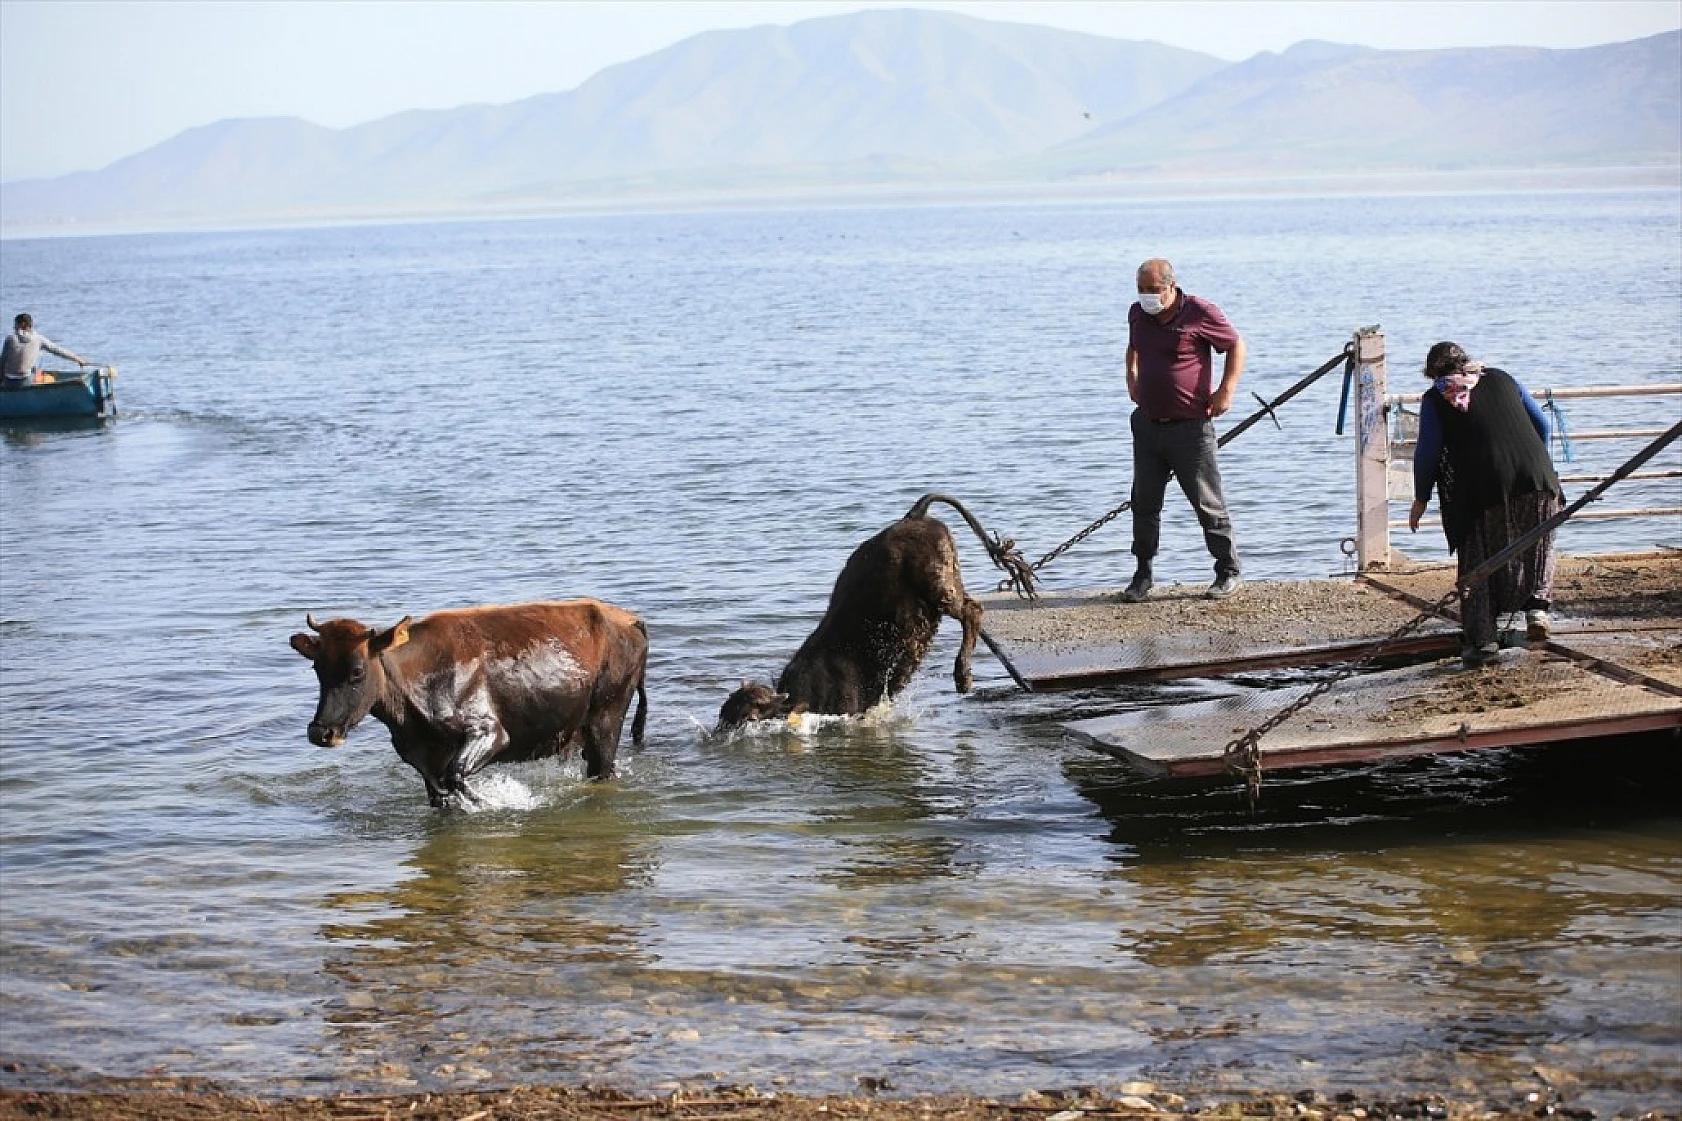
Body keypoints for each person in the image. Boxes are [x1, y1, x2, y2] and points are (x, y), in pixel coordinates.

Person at [1408, 341, 1562, 669]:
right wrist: (1534, 463)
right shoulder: (1502, 377)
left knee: (1479, 559)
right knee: (1538, 544)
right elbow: (1543, 426)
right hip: (1538, 477)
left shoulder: (1437, 398)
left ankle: (1482, 641)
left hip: (1479, 490)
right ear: (1465, 362)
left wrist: (1420, 499)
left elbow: (1428, 454)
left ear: (1433, 373)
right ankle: (1537, 608)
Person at [1120, 258, 1247, 602]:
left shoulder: (1199, 312)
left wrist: (1227, 389)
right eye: (1142, 290)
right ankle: (1142, 574)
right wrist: (1131, 376)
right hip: (1147, 425)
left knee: (1207, 502)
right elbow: (1133, 346)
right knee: (1144, 502)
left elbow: (1235, 344)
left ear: (1171, 286)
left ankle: (1227, 570)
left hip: (1190, 428)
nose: (1147, 297)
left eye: (1154, 290)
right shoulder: (1137, 314)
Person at [1, 313, 88, 385]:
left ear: (21, 324)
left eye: (15, 324)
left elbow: (2, 361)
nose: (14, 327)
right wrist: (78, 359)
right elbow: (57, 350)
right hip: (26, 378)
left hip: (10, 380)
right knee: (36, 367)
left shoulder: (10, 339)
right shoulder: (38, 339)